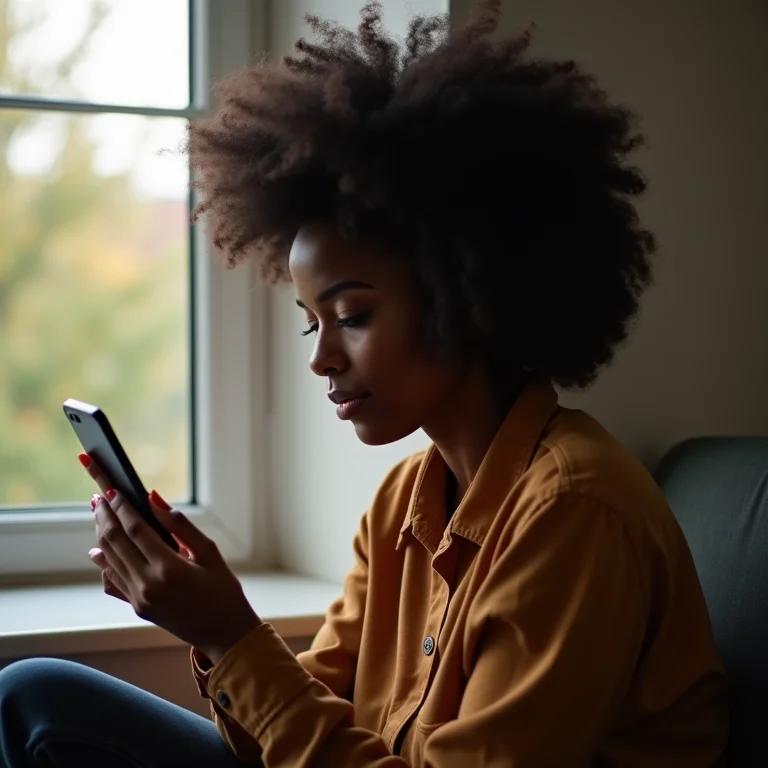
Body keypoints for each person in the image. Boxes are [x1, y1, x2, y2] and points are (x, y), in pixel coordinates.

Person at [0, 1, 728, 766]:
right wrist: (211, 621)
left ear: (468, 298)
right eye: (313, 322)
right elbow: (290, 733)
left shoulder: (574, 511)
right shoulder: (401, 507)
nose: (321, 360)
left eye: (351, 315)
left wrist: (229, 633)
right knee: (38, 694)